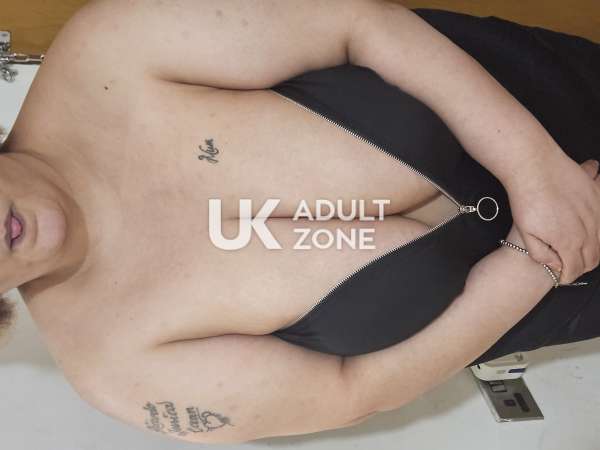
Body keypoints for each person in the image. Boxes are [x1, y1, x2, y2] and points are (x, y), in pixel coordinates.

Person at [1, 0, 599, 443]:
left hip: (545, 94)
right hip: (563, 288)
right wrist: (539, 264)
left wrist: (533, 166)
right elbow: (355, 389)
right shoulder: (116, 370)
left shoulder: (106, 48)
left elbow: (356, 24)